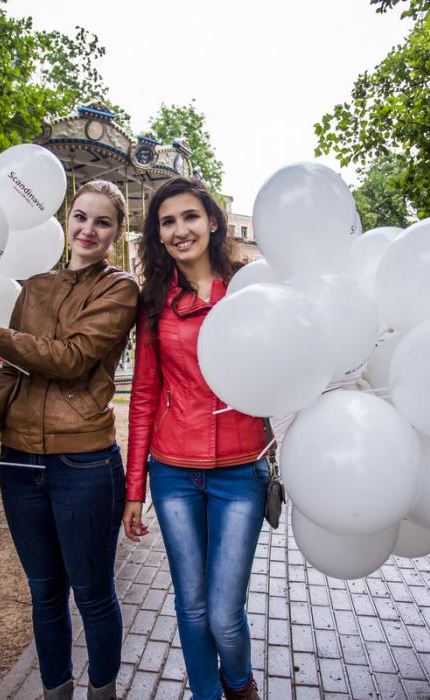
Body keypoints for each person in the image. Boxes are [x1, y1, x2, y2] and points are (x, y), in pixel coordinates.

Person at [0, 180, 138, 700]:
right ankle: (54, 692)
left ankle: (101, 693)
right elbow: (11, 371)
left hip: (83, 464)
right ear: (67, 220)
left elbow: (70, 359)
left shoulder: (121, 289)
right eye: (81, 217)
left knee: (92, 594)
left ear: (116, 232)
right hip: (20, 464)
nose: (89, 229)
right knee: (44, 593)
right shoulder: (35, 287)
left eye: (103, 222)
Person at [122, 177, 268, 700]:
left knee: (226, 615)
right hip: (174, 472)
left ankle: (239, 684)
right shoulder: (154, 302)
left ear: (212, 221)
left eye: (189, 216)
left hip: (241, 469)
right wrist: (134, 490)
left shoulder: (252, 289)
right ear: (158, 236)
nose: (180, 230)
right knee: (192, 605)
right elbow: (142, 397)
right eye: (167, 222)